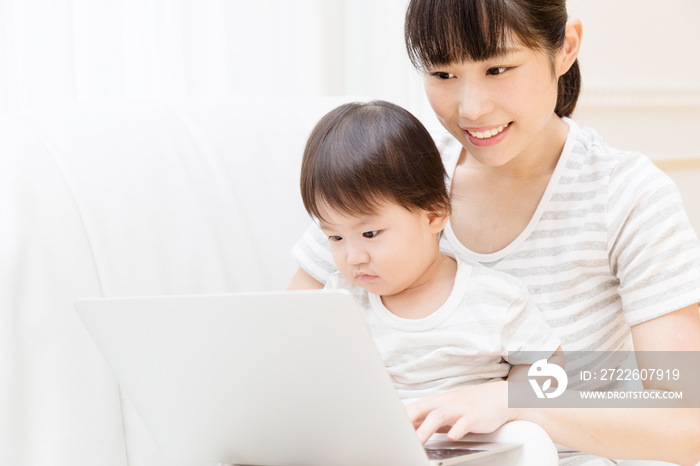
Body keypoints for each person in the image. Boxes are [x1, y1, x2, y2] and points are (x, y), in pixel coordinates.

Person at [290, 1, 700, 465]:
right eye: (443, 74)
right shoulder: (399, 172)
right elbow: (283, 344)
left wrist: (515, 399)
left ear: (565, 47)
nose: (471, 108)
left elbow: (686, 426)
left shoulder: (627, 196)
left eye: (498, 68)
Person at [299, 100, 562, 409]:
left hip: (470, 449)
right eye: (335, 236)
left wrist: (500, 402)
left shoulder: (494, 298)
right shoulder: (339, 301)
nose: (354, 257)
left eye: (370, 234)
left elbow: (552, 371)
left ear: (434, 214)